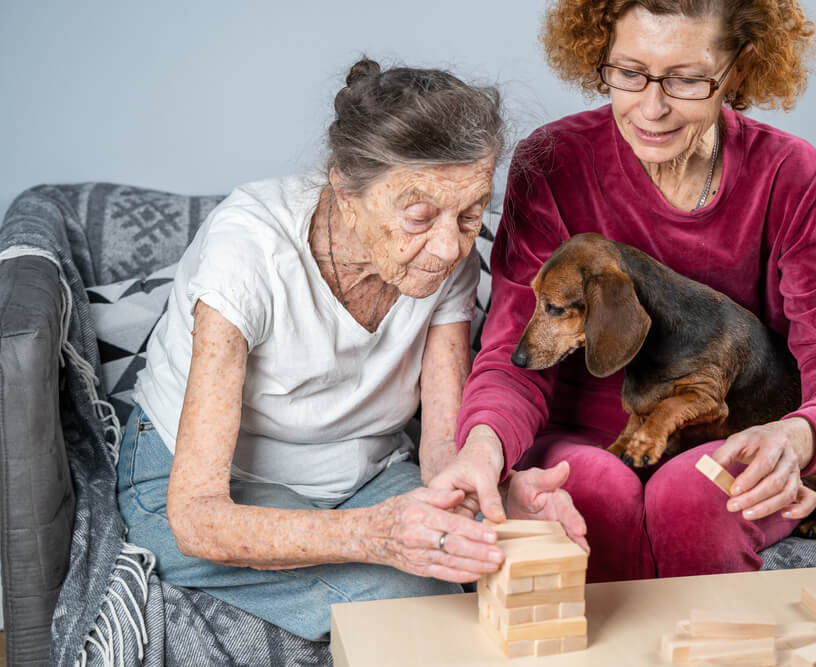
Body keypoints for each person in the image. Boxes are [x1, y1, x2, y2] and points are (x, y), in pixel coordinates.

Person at [430, 0, 816, 583]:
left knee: (695, 499)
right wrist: (482, 449)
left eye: (688, 80)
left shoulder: (791, 177)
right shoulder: (553, 162)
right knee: (595, 494)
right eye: (628, 72)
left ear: (739, 70)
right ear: (600, 56)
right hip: (582, 438)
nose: (652, 107)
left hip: (723, 435)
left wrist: (797, 438)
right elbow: (513, 356)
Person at [117, 58, 518, 642]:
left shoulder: (448, 259)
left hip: (360, 474)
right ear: (345, 190)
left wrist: (497, 503)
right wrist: (375, 536)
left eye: (471, 212)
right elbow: (199, 519)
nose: (449, 246)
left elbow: (439, 446)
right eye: (419, 216)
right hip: (214, 485)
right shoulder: (248, 255)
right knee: (411, 603)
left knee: (494, 554)